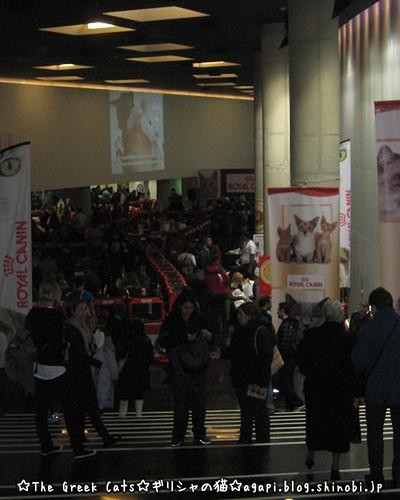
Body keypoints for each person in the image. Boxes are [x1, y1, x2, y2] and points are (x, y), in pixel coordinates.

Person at [25, 279, 95, 459]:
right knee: (70, 409)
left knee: (41, 410)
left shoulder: (32, 313)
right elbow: (61, 341)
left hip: (40, 366)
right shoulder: (56, 316)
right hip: (58, 366)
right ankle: (78, 448)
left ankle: (46, 445)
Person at [298, 299, 354, 480]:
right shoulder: (348, 338)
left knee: (314, 421)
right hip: (339, 390)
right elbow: (352, 366)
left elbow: (302, 363)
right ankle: (335, 466)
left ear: (325, 314)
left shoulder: (311, 335)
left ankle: (311, 454)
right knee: (337, 427)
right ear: (341, 316)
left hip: (315, 387)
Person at [352, 287, 400, 486]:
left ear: (374, 306)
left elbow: (359, 361)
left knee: (375, 433)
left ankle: (376, 474)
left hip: (375, 390)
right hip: (398, 389)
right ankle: (398, 473)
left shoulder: (369, 328)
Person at [158, 290, 213, 447]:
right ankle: (178, 436)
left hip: (199, 367)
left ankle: (199, 434)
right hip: (180, 368)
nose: (188, 311)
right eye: (186, 308)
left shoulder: (200, 319)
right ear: (179, 307)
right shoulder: (172, 321)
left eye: (191, 308)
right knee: (181, 403)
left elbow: (213, 338)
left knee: (199, 404)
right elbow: (163, 341)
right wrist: (183, 337)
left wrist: (209, 336)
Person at [64, 300, 120, 448]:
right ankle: (102, 437)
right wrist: (96, 363)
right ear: (73, 311)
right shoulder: (73, 329)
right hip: (77, 372)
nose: (84, 312)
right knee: (88, 406)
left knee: (83, 407)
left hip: (81, 370)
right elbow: (79, 352)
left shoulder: (81, 327)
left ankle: (85, 436)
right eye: (80, 309)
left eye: (85, 309)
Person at [229, 302, 274, 443]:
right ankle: (255, 440)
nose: (238, 317)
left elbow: (265, 359)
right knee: (251, 411)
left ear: (249, 315)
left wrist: (260, 381)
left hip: (254, 380)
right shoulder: (248, 331)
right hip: (246, 379)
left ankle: (253, 440)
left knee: (255, 411)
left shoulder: (258, 331)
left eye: (241, 314)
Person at [118, 319, 154, 418]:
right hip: (142, 371)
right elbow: (151, 358)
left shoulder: (128, 340)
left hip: (128, 370)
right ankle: (138, 414)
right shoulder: (147, 340)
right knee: (139, 393)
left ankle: (122, 415)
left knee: (125, 394)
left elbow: (121, 354)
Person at [276, 302, 304, 411]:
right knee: (288, 382)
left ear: (283, 310)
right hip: (292, 358)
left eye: (279, 309)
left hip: (286, 358)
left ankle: (297, 403)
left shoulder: (286, 324)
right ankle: (290, 405)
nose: (277, 312)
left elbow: (285, 343)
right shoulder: (294, 324)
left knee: (284, 383)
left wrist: (282, 354)